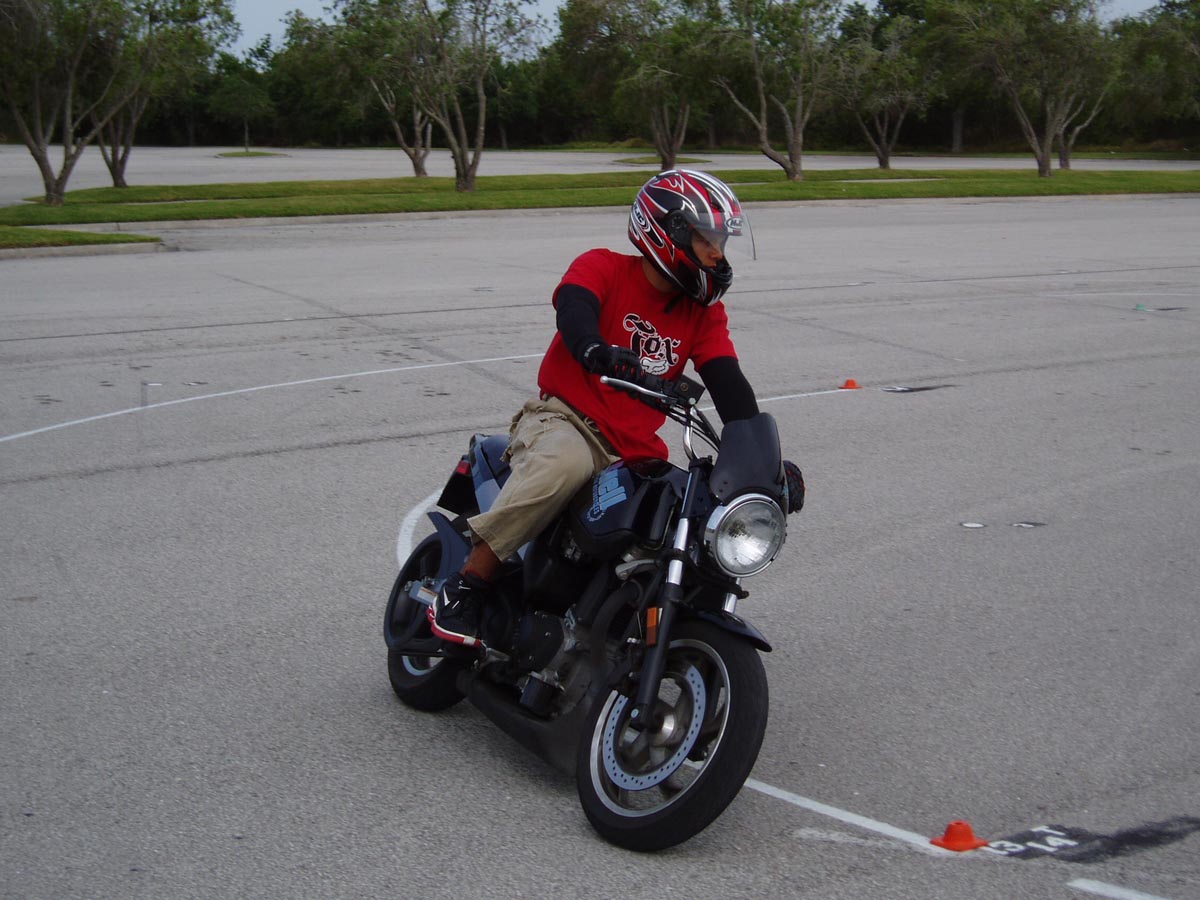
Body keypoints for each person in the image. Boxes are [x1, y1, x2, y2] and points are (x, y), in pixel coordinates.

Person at [431, 169, 778, 648]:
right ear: (670, 231)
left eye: (721, 242)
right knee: (565, 464)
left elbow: (728, 383)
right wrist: (593, 348)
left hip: (633, 450)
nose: (718, 253)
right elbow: (575, 307)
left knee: (686, 510)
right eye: (708, 240)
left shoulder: (703, 314)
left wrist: (765, 467)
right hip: (564, 420)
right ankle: (466, 585)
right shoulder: (604, 267)